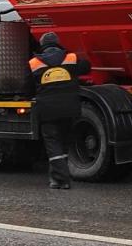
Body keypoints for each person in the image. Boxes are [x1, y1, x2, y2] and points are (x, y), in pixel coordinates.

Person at [28, 32, 90, 189]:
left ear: (42, 45)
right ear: (58, 43)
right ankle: (57, 178)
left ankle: (61, 179)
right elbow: (86, 67)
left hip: (47, 110)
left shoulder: (34, 63)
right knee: (64, 142)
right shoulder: (71, 58)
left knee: (53, 144)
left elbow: (27, 85)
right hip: (70, 109)